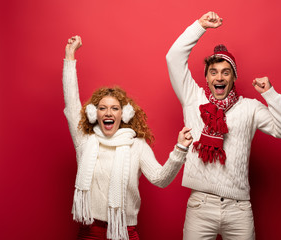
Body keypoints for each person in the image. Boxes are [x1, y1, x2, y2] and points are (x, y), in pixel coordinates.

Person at [166, 12, 281, 240]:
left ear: (233, 78)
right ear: (206, 78)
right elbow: (173, 58)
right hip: (200, 206)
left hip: (239, 209)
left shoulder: (250, 108)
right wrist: (199, 26)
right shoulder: (192, 98)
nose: (219, 77)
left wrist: (271, 94)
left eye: (226, 72)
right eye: (214, 72)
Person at [63, 35, 193, 240]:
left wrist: (180, 149)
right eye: (102, 108)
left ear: (123, 114)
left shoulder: (137, 146)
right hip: (90, 232)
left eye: (114, 108)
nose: (108, 113)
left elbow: (160, 179)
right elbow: (71, 104)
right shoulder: (85, 141)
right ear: (93, 114)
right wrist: (70, 56)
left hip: (125, 232)